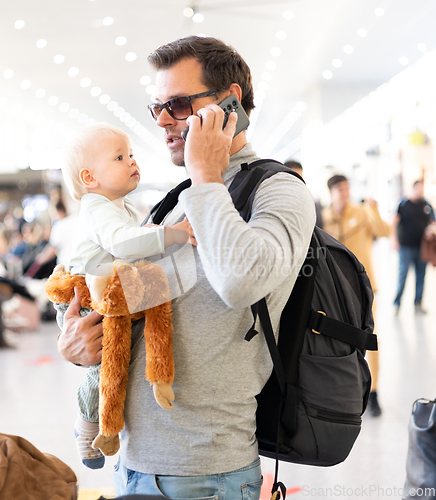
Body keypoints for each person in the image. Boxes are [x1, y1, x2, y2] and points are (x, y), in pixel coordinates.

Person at [57, 36, 315, 499]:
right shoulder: (176, 203)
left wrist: (205, 175)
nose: (160, 120)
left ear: (229, 103)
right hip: (134, 465)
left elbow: (240, 281)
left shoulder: (277, 191)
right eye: (156, 106)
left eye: (176, 104)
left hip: (206, 471)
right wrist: (78, 335)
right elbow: (134, 300)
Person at [56, 123, 193, 470]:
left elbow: (134, 238)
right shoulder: (97, 207)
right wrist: (173, 235)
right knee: (103, 362)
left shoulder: (123, 206)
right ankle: (86, 424)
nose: (132, 161)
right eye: (119, 157)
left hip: (110, 292)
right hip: (84, 298)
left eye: (131, 154)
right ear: (89, 178)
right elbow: (123, 243)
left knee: (120, 353)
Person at [322, 174, 390, 417]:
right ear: (331, 192)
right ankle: (344, 391)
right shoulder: (324, 219)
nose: (345, 192)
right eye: (339, 189)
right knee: (336, 341)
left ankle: (373, 392)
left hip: (363, 289)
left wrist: (375, 210)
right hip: (334, 292)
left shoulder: (361, 213)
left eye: (347, 188)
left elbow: (384, 232)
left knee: (369, 339)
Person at [393, 180, 435, 314]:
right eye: (418, 188)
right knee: (403, 275)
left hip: (422, 247)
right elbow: (394, 222)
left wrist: (430, 231)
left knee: (421, 275)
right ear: (413, 188)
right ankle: (397, 303)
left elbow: (433, 223)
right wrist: (394, 240)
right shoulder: (404, 204)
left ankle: (418, 303)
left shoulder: (427, 205)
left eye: (422, 188)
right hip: (406, 246)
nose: (420, 191)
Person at [284, 160, 323, 228]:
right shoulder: (279, 207)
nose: (299, 183)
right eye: (294, 179)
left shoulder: (313, 206)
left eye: (300, 179)